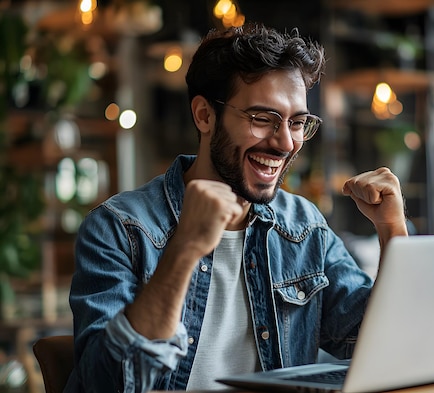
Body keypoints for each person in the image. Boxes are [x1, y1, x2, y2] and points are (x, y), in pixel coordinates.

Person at [64, 23, 408, 393]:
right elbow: (106, 385)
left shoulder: (303, 226)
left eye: (297, 122)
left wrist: (393, 232)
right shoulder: (118, 229)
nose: (285, 142)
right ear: (205, 116)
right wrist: (185, 249)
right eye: (263, 119)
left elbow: (381, 344)